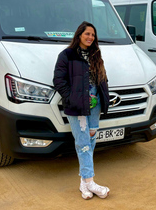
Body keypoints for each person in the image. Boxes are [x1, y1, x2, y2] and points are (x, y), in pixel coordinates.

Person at [53, 21, 111, 200]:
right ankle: (91, 182)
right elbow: (58, 80)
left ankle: (83, 183)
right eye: (87, 34)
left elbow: (103, 78)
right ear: (79, 35)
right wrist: (71, 98)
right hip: (78, 105)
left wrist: (104, 96)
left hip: (95, 104)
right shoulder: (67, 55)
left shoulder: (96, 55)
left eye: (93, 35)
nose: (90, 37)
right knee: (83, 142)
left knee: (90, 141)